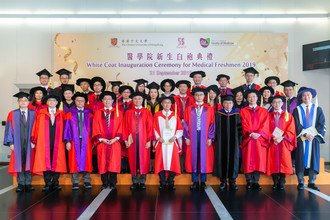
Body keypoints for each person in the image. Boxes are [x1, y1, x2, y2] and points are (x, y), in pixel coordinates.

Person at [31, 93, 67, 191]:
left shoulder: (62, 114)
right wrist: (34, 140)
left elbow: (66, 129)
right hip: (44, 143)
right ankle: (47, 183)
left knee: (57, 162)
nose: (52, 102)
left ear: (57, 103)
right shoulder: (41, 113)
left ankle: (55, 182)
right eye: (50, 100)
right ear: (47, 102)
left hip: (58, 143)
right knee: (45, 162)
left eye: (54, 101)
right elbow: (36, 127)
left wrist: (67, 141)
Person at [293, 87, 326, 191]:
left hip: (314, 139)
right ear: (301, 98)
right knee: (300, 160)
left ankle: (312, 182)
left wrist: (313, 135)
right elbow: (296, 124)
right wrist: (305, 134)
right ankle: (301, 182)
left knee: (313, 160)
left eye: (308, 95)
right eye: (304, 95)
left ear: (311, 96)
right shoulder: (297, 110)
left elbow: (321, 124)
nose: (306, 97)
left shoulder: (318, 109)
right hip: (302, 138)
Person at [4, 92, 36, 193]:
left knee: (29, 162)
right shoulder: (12, 114)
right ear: (18, 102)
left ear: (28, 102)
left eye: (25, 100)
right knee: (19, 163)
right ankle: (21, 184)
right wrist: (11, 143)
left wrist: (34, 141)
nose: (23, 102)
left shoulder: (33, 113)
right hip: (17, 143)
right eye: (21, 100)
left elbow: (37, 129)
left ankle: (28, 183)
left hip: (30, 142)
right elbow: (9, 129)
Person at [184, 87, 215, 191]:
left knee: (203, 158)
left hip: (204, 136)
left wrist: (210, 137)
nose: (198, 97)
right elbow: (186, 124)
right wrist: (186, 137)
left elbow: (212, 124)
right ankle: (195, 181)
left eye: (201, 95)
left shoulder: (209, 108)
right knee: (194, 157)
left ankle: (203, 181)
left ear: (204, 96)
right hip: (192, 135)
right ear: (194, 96)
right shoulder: (189, 108)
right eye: (196, 95)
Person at [92, 91, 123, 190]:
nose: (107, 101)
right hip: (102, 142)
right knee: (102, 161)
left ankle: (113, 183)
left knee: (114, 162)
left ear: (113, 100)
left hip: (115, 142)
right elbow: (95, 126)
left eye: (109, 99)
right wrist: (101, 139)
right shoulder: (98, 112)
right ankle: (104, 183)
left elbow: (121, 126)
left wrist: (116, 138)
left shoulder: (118, 112)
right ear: (102, 100)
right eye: (105, 99)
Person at [240, 89, 270, 191]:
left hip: (259, 139)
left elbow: (266, 124)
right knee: (248, 159)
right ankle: (249, 181)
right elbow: (243, 124)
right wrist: (250, 133)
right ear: (247, 99)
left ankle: (256, 181)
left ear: (257, 98)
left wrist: (259, 133)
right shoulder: (243, 111)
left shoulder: (264, 111)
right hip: (248, 139)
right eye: (249, 97)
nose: (251, 99)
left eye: (254, 97)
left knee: (258, 159)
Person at [123, 92, 153, 191]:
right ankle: (135, 181)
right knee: (133, 159)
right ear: (132, 100)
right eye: (135, 99)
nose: (137, 100)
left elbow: (150, 127)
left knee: (143, 159)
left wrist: (149, 140)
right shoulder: (128, 112)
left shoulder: (147, 112)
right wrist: (126, 139)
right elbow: (125, 127)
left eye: (139, 99)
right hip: (132, 140)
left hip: (143, 139)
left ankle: (143, 181)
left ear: (142, 100)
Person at [64, 92, 93, 190]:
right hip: (73, 140)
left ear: (85, 101)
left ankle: (87, 180)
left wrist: (93, 140)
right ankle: (75, 182)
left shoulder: (89, 113)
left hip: (87, 140)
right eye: (77, 100)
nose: (80, 102)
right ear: (74, 101)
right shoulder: (70, 113)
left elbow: (93, 128)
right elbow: (67, 128)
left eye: (82, 100)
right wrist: (67, 141)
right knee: (73, 160)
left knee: (87, 160)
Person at [267, 96, 296, 191]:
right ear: (271, 104)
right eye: (274, 102)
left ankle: (282, 182)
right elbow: (265, 129)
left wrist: (282, 137)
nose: (276, 104)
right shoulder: (268, 115)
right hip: (273, 142)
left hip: (284, 142)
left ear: (282, 104)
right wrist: (273, 137)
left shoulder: (288, 116)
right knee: (273, 162)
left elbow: (291, 130)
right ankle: (275, 182)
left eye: (279, 102)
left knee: (284, 161)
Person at [153, 96, 183, 190]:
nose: (167, 104)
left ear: (171, 104)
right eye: (165, 102)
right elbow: (153, 128)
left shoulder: (175, 115)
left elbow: (180, 128)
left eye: (169, 102)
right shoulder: (157, 115)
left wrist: (175, 137)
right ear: (161, 104)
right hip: (161, 143)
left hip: (172, 143)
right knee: (160, 162)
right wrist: (158, 137)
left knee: (173, 162)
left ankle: (170, 181)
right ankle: (162, 181)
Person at [213, 95, 242, 191]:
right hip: (221, 143)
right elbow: (215, 129)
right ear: (222, 104)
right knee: (222, 158)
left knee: (234, 159)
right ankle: (223, 181)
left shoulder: (237, 114)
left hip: (234, 142)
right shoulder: (218, 114)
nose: (228, 105)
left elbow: (240, 130)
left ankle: (233, 182)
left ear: (233, 104)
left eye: (230, 103)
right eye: (225, 103)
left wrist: (239, 141)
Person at [173, 80, 194, 173]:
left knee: (187, 144)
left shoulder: (192, 99)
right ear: (178, 88)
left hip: (189, 124)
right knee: (178, 143)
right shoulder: (174, 99)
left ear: (187, 88)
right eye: (181, 86)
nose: (182, 88)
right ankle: (178, 167)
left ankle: (187, 167)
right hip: (177, 124)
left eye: (184, 86)